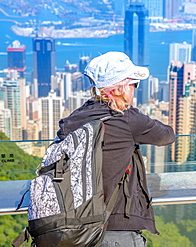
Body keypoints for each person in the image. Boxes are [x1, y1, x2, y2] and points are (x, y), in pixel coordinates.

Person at [56, 51, 176, 246]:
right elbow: (167, 136)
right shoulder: (128, 120)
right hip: (116, 231)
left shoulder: (73, 119)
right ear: (121, 87)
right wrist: (134, 114)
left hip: (74, 229)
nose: (135, 89)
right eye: (134, 84)